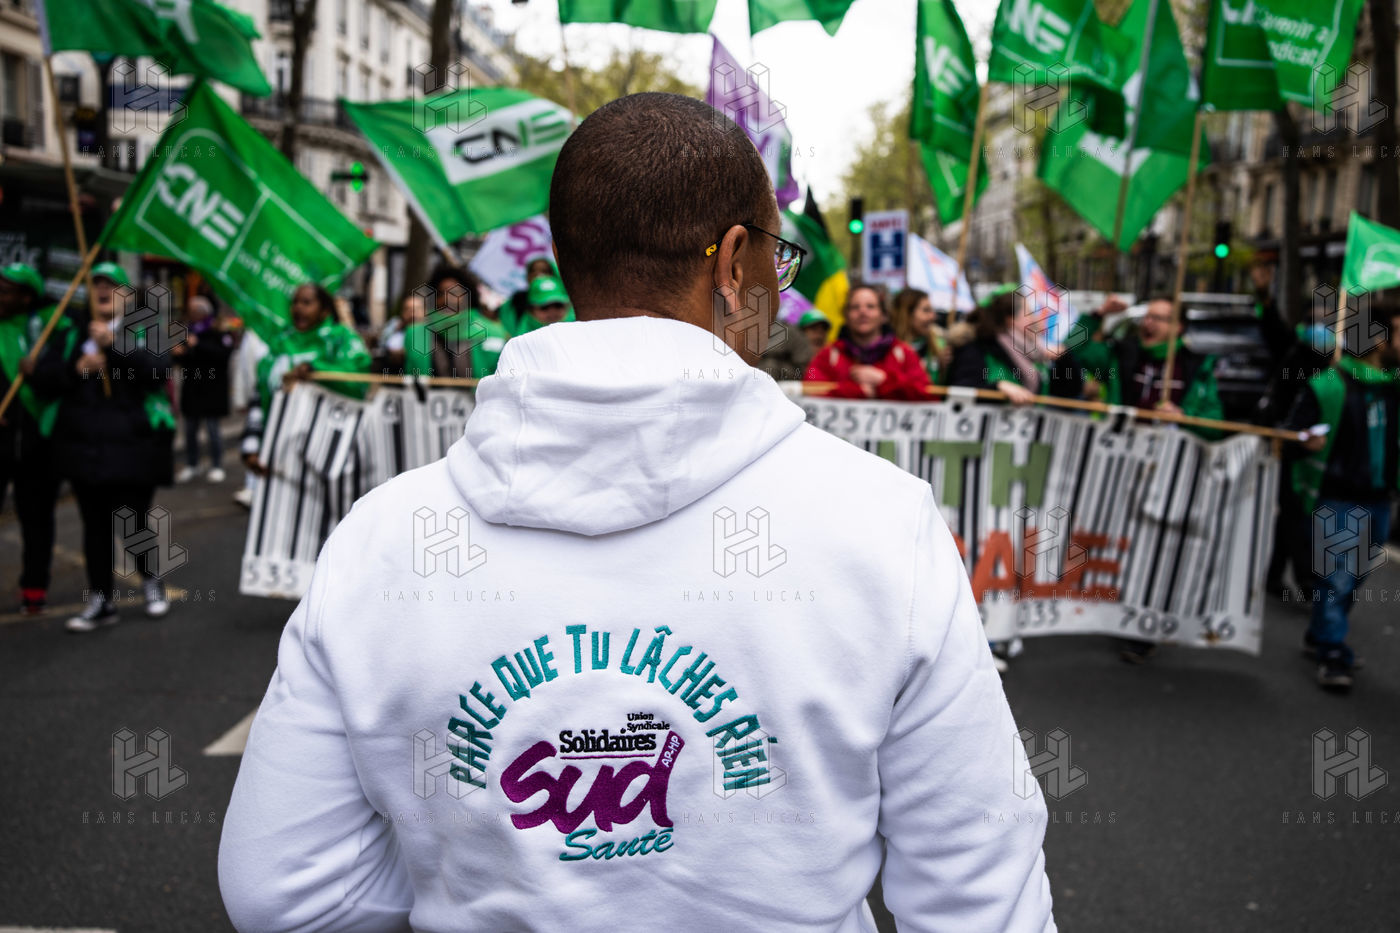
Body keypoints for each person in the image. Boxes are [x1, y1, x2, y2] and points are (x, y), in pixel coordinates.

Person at [220, 92, 1055, 932]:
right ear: (734, 262)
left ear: (563, 258)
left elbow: (282, 890)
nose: (777, 289)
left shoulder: (381, 539)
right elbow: (980, 894)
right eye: (778, 259)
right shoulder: (882, 524)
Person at [33, 266, 176, 630]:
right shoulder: (71, 332)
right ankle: (101, 600)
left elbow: (158, 370)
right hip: (84, 447)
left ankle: (151, 581)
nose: (102, 290)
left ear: (126, 295)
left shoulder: (145, 329)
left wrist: (115, 346)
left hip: (133, 447)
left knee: (133, 521)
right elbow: (42, 378)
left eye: (111, 285)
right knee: (94, 526)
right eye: (95, 284)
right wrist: (76, 368)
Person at [1282, 309, 1400, 690]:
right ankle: (1332, 653)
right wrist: (1305, 440)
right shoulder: (1328, 385)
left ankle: (1319, 633)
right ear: (1378, 340)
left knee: (1354, 577)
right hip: (1337, 497)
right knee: (1336, 578)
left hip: (1379, 498)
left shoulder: (1392, 386)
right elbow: (1292, 435)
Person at [0, 262, 75, 615]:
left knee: (36, 520)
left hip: (39, 444)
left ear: (26, 296)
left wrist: (38, 372)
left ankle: (34, 587)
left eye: (5, 291)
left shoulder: (54, 327)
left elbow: (67, 379)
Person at [241, 283, 371, 478]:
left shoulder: (341, 339)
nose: (298, 308)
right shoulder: (278, 344)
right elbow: (260, 396)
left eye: (306, 302)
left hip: (332, 461)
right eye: (295, 302)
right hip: (279, 461)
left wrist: (315, 370)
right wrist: (251, 447)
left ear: (324, 310)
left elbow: (357, 380)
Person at [1068, 295, 1224, 437]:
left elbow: (1215, 426)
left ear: (1178, 326)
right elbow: (1073, 347)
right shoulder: (1120, 356)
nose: (1147, 322)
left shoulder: (1197, 367)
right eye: (1146, 317)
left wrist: (1183, 417)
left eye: (1157, 318)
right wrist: (1099, 314)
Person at [948, 290, 1085, 403]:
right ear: (1011, 319)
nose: (1035, 319)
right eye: (1029, 313)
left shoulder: (1035, 355)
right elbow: (962, 389)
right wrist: (998, 387)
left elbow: (1070, 390)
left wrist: (1064, 359)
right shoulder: (978, 348)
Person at [803, 283, 933, 399]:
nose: (863, 312)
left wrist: (884, 380)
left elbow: (927, 394)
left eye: (870, 306)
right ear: (846, 315)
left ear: (883, 315)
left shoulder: (905, 354)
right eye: (855, 307)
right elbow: (810, 386)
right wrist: (856, 391)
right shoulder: (827, 355)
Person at [403, 264, 510, 379]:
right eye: (440, 293)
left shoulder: (494, 333)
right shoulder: (414, 334)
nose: (446, 299)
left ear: (468, 296)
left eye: (454, 293)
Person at [172, 294, 235, 483]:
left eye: (194, 311)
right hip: (192, 389)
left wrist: (198, 345)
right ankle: (193, 464)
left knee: (213, 429)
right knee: (190, 429)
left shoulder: (218, 330)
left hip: (212, 389)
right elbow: (181, 359)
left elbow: (223, 355)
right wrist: (178, 353)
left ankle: (217, 464)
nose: (191, 314)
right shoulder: (187, 331)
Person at [891, 287, 951, 384]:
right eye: (926, 310)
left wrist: (944, 370)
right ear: (907, 314)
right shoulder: (888, 347)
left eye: (932, 310)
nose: (933, 316)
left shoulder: (940, 345)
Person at [500, 255, 560, 335]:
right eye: (543, 307)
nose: (538, 274)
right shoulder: (515, 302)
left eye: (558, 305)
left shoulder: (569, 299)